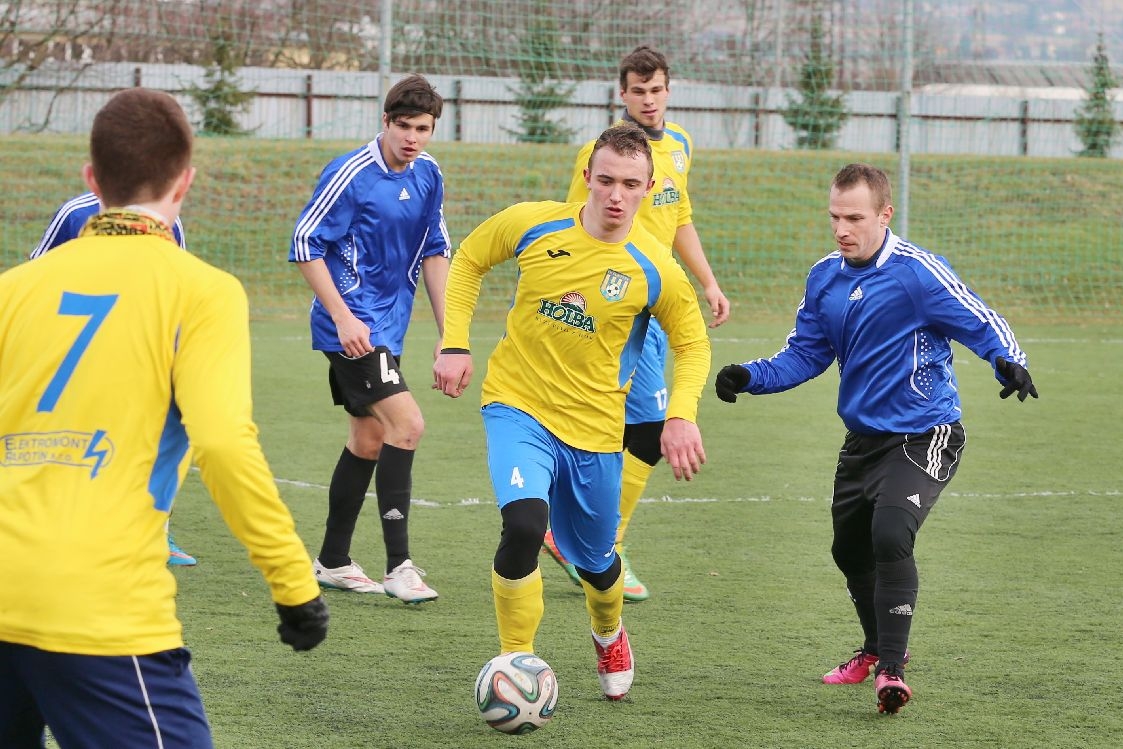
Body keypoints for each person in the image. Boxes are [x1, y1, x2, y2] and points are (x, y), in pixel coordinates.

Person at [0, 87, 329, 749]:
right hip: (96, 604)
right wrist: (294, 584)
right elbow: (222, 443)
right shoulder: (200, 290)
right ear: (187, 181)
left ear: (91, 180)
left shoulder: (13, 288)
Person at [714, 162, 1038, 715]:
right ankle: (871, 650)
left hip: (927, 432)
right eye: (835, 217)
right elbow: (807, 354)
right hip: (862, 440)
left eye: (855, 218)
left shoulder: (917, 274)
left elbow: (979, 319)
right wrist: (751, 377)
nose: (842, 229)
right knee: (849, 550)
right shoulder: (825, 277)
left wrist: (1009, 360)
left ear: (884, 215)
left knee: (891, 533)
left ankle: (892, 669)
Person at [433, 124, 711, 700]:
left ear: (649, 187)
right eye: (605, 179)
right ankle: (519, 660)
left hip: (594, 429)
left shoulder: (654, 266)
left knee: (598, 564)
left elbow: (692, 342)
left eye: (630, 184)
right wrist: (455, 342)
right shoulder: (536, 224)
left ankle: (608, 630)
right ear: (587, 176)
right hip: (516, 405)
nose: (615, 194)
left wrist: (680, 415)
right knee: (525, 525)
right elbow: (469, 260)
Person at [542, 45, 730, 602]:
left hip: (658, 302)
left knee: (638, 434)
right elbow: (575, 225)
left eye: (657, 90)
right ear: (621, 94)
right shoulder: (602, 155)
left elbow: (681, 217)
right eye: (638, 91)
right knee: (643, 432)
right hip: (616, 307)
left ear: (669, 90)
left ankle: (585, 541)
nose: (648, 100)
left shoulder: (681, 146)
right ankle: (592, 545)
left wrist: (708, 281)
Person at [289, 73, 449, 604]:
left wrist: (451, 334)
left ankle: (333, 560)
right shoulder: (351, 173)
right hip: (353, 327)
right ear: (385, 122)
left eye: (423, 128)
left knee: (368, 439)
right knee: (408, 425)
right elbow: (305, 242)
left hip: (391, 324)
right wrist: (342, 318)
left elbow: (435, 250)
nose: (412, 137)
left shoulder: (428, 174)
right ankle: (399, 566)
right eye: (403, 126)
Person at [31, 191, 195, 567]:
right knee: (78, 438)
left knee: (152, 437)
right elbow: (39, 272)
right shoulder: (75, 212)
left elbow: (177, 281)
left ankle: (156, 531)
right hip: (81, 347)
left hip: (141, 346)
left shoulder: (166, 217)